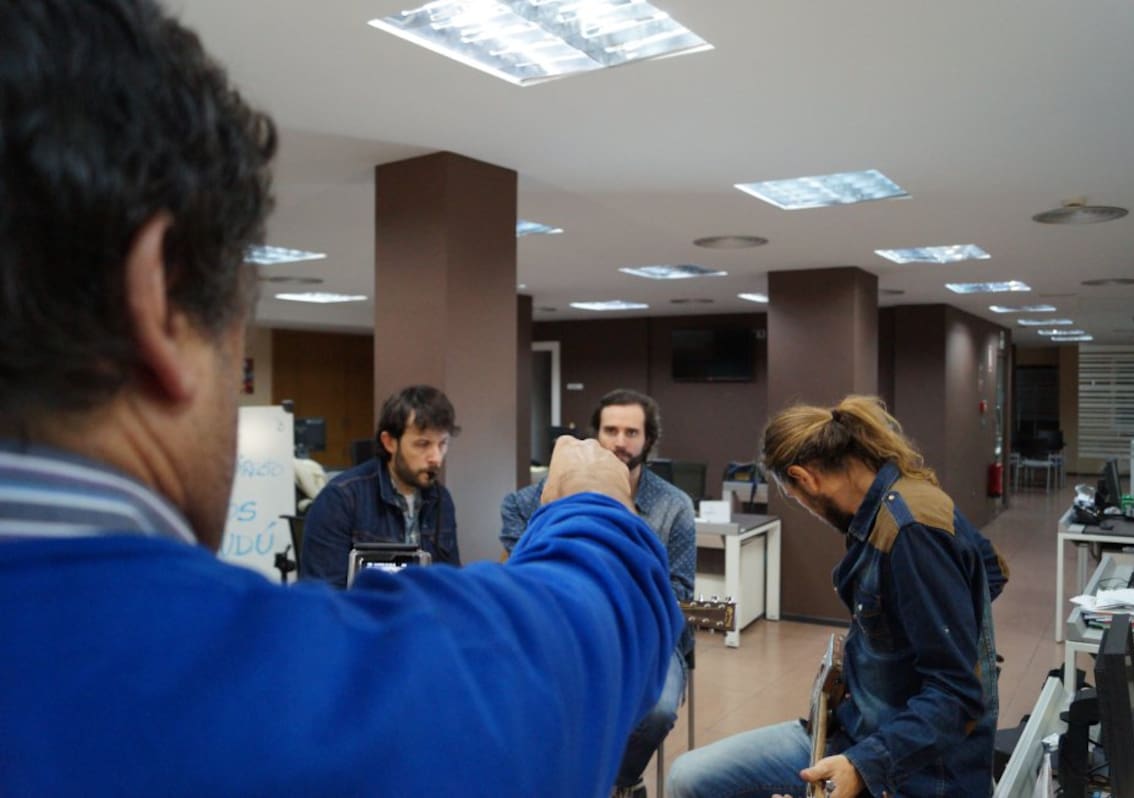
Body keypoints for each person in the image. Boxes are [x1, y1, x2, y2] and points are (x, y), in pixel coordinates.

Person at [0, 1, 682, 794]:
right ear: (159, 300)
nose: (437, 455)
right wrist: (595, 502)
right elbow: (572, 646)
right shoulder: (274, 705)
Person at [668, 395, 1003, 798]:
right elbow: (990, 571)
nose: (809, 509)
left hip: (912, 770)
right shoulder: (903, 496)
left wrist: (865, 765)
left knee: (692, 783)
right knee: (688, 776)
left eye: (797, 499)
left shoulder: (910, 529)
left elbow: (957, 694)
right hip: (856, 732)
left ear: (803, 478)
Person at [501, 388, 697, 798]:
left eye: (631, 432)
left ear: (649, 440)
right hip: (561, 631)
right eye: (611, 430)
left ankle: (617, 780)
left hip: (649, 636)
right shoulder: (525, 502)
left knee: (658, 708)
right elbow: (521, 579)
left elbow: (680, 590)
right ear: (596, 435)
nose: (620, 442)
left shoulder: (674, 505)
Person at [300, 385, 461, 587]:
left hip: (421, 607)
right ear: (389, 442)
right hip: (362, 607)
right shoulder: (341, 498)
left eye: (442, 444)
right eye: (423, 444)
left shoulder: (441, 499)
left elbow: (450, 583)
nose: (436, 458)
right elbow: (324, 594)